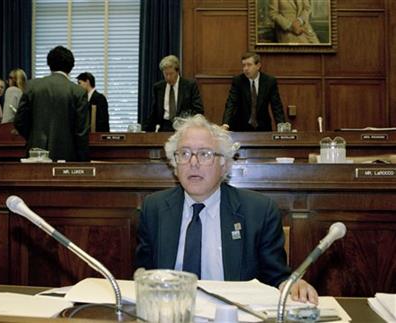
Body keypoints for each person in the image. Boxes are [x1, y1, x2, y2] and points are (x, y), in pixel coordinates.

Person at [135, 114, 318, 304]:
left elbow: (276, 278)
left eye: (205, 154)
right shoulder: (154, 209)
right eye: (184, 153)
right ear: (174, 164)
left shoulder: (259, 211)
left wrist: (292, 285)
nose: (193, 162)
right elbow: (142, 277)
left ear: (225, 165)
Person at [14, 46, 89, 162]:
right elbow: (81, 132)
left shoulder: (32, 86)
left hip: (35, 154)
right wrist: (83, 162)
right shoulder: (78, 92)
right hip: (67, 156)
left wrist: (34, 136)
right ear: (71, 67)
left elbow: (19, 121)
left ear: (49, 64)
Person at [222, 52, 285, 132]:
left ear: (258, 66)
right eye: (244, 65)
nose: (245, 68)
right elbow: (231, 103)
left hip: (263, 127)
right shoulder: (238, 81)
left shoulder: (269, 81)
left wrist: (281, 126)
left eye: (249, 65)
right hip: (241, 127)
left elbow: (276, 106)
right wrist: (225, 124)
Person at [142, 55, 204, 132]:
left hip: (184, 127)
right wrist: (145, 130)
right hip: (164, 127)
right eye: (165, 74)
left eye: (171, 74)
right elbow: (154, 113)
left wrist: (184, 119)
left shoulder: (189, 86)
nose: (168, 77)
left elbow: (198, 109)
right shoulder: (158, 87)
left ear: (177, 71)